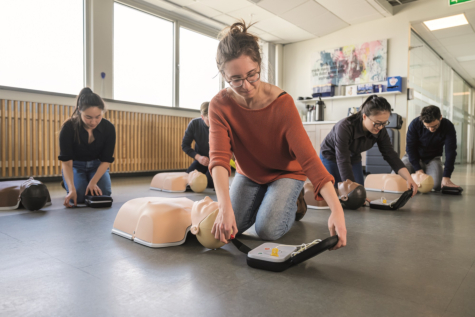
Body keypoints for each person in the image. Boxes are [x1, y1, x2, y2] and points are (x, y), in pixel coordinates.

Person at [208, 21, 346, 250]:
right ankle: (266, 199)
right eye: (236, 79)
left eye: (252, 75)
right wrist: (224, 208)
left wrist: (337, 211)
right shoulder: (219, 105)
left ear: (259, 65)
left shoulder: (283, 104)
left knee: (268, 230)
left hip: (286, 173)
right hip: (250, 172)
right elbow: (219, 159)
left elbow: (310, 160)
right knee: (233, 226)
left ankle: (294, 203)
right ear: (224, 75)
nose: (246, 86)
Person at [320, 95, 418, 198]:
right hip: (331, 156)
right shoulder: (344, 127)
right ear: (364, 116)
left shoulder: (381, 131)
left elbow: (391, 155)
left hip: (353, 157)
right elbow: (343, 159)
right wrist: (352, 191)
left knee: (358, 195)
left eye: (384, 123)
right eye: (377, 123)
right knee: (337, 195)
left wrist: (409, 178)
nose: (380, 127)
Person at [59, 87, 116, 207]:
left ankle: (85, 181)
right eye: (88, 117)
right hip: (75, 166)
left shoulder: (109, 128)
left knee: (103, 194)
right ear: (79, 110)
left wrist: (93, 182)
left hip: (97, 165)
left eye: (98, 117)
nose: (93, 122)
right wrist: (72, 189)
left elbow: (106, 160)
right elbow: (67, 163)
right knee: (78, 197)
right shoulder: (69, 127)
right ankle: (68, 182)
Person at [404, 105, 459, 191]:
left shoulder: (448, 126)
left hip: (432, 158)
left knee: (436, 185)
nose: (431, 129)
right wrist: (418, 170)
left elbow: (450, 151)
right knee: (396, 176)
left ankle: (416, 177)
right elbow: (410, 148)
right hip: (413, 156)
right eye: (427, 127)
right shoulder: (414, 124)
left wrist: (446, 176)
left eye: (434, 126)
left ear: (440, 117)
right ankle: (415, 175)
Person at [181, 102, 214, 188]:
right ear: (202, 117)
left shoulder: (220, 124)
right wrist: (198, 157)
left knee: (208, 183)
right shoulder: (194, 124)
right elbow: (185, 145)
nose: (212, 122)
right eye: (209, 119)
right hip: (200, 161)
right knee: (188, 182)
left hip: (216, 162)